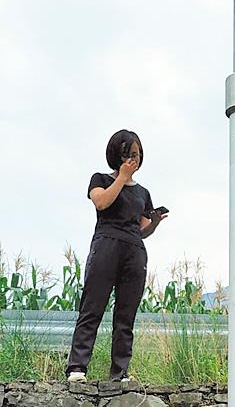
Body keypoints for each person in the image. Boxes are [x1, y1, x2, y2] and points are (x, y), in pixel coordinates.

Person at [67, 129, 168, 383]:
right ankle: (77, 368)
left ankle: (120, 372)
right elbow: (101, 202)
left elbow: (143, 230)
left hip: (134, 250)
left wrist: (155, 222)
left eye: (138, 154)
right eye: (129, 154)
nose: (134, 159)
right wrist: (122, 177)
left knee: (126, 315)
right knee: (92, 307)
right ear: (117, 154)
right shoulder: (100, 178)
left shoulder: (143, 193)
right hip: (106, 245)